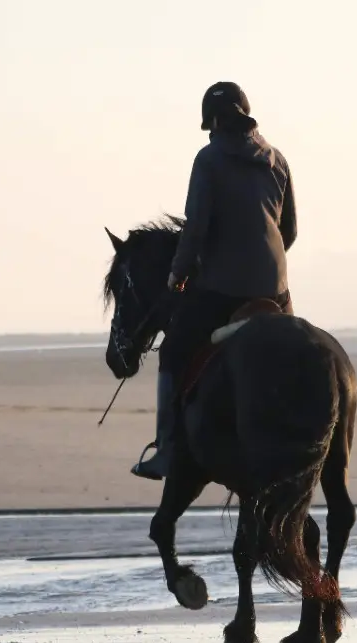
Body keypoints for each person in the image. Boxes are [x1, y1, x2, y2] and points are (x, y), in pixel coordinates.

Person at [132, 81, 297, 480]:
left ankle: (167, 448)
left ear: (216, 121)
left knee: (173, 352)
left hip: (224, 287)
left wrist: (179, 273)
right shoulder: (277, 159)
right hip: (276, 288)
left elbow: (196, 227)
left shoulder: (208, 160)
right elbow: (289, 230)